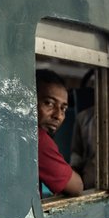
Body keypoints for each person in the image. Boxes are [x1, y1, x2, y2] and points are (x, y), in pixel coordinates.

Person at [36, 69, 84, 197]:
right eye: (49, 103)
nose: (58, 115)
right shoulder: (36, 139)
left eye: (63, 108)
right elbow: (76, 187)